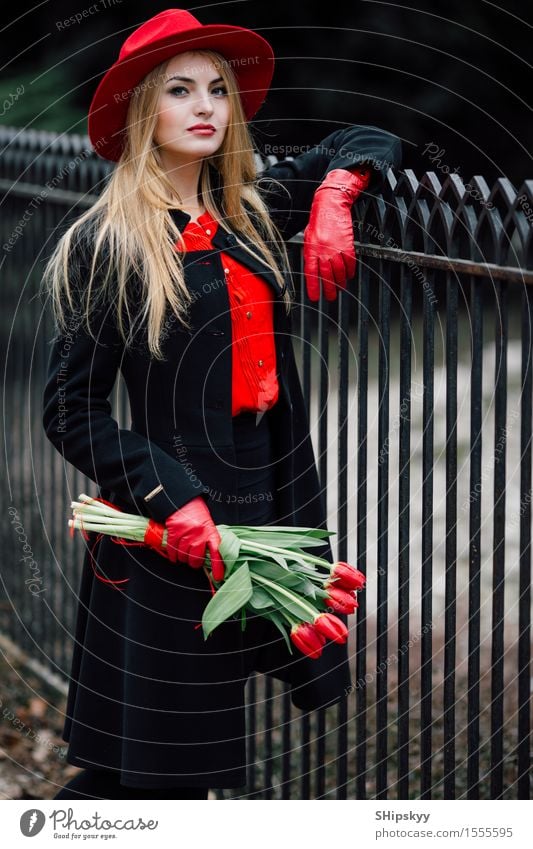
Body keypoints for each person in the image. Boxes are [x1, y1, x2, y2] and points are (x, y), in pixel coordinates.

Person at [41, 8, 402, 800]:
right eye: (179, 90)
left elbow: (368, 136)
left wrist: (337, 194)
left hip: (261, 517)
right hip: (170, 534)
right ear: (145, 113)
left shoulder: (253, 214)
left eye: (217, 89)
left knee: (175, 757)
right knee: (154, 771)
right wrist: (172, 494)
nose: (206, 105)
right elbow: (68, 410)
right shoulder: (114, 247)